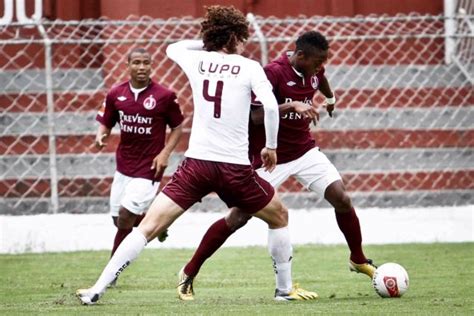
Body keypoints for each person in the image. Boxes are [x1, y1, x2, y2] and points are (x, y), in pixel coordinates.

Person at [76, 6, 318, 305]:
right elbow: (269, 108)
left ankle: (97, 288)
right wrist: (270, 146)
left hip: (197, 165)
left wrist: (208, 42)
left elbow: (172, 47)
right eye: (241, 37)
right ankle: (283, 290)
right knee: (279, 216)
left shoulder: (195, 57)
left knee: (148, 227)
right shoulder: (250, 66)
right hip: (234, 169)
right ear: (232, 37)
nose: (244, 43)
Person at [177, 31, 377, 300]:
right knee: (238, 217)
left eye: (324, 62)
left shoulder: (315, 69)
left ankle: (358, 258)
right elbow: (256, 116)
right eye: (317, 61)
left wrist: (330, 99)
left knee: (342, 198)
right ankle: (189, 270)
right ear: (300, 55)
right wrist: (290, 105)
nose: (320, 66)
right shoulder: (272, 73)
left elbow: (321, 79)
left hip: (304, 151)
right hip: (269, 158)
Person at [95, 47, 183, 284]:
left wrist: (165, 153)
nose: (142, 67)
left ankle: (110, 274)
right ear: (128, 65)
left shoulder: (165, 95)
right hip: (124, 164)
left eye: (146, 63)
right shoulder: (116, 94)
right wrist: (101, 135)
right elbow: (106, 121)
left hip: (150, 167)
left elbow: (177, 127)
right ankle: (154, 224)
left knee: (124, 216)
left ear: (151, 65)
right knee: (118, 220)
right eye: (137, 63)